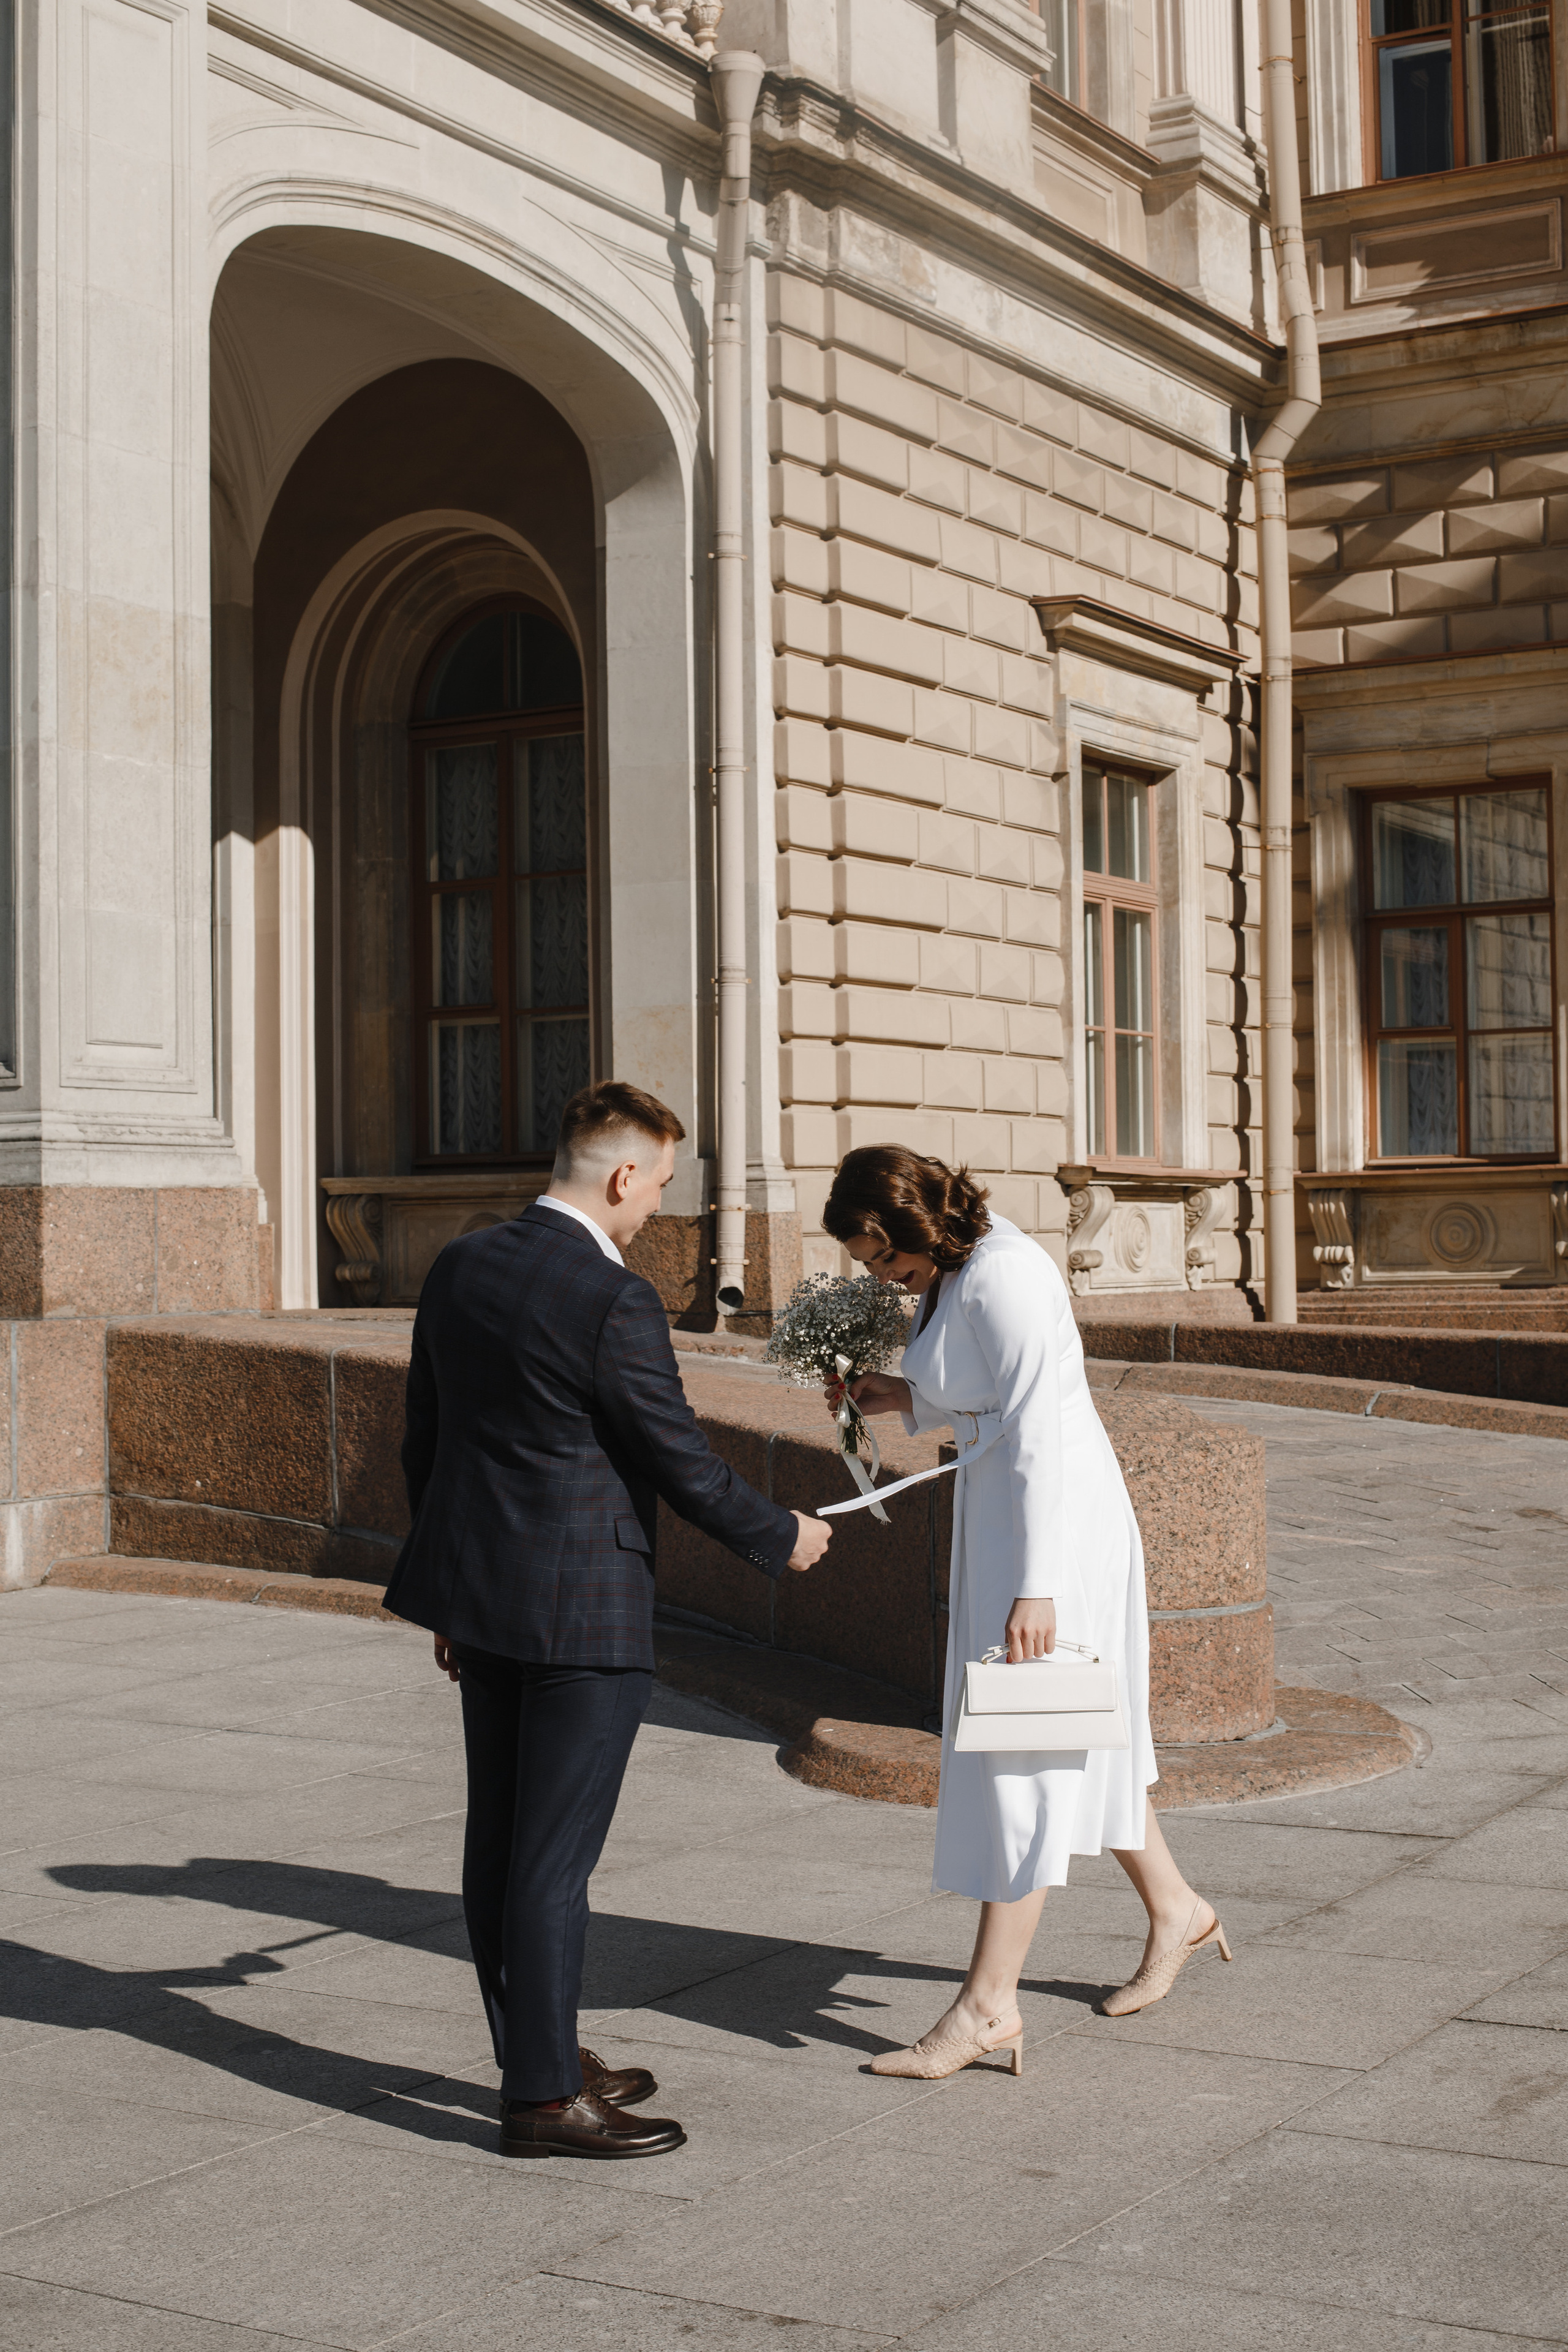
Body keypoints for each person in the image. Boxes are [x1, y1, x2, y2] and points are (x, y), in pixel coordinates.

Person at [386, 1080, 832, 2158]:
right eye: (661, 1187)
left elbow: (426, 1440)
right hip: (582, 1609)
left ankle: (537, 2051)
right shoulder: (611, 1297)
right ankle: (542, 2100)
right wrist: (781, 1535)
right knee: (550, 1862)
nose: (655, 1211)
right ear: (622, 1173)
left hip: (484, 1596)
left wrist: (450, 1592)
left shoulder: (462, 1263)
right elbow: (672, 1454)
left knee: (499, 1847)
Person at [821, 1145, 1228, 2079]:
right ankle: (1178, 1910)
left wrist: (1038, 1583)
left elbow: (1039, 1425)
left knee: (1025, 1755)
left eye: (883, 1258)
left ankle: (986, 2008)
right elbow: (987, 1396)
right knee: (1065, 1730)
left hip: (1052, 1532)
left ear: (910, 1229)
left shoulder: (1003, 1274)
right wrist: (901, 1395)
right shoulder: (963, 1265)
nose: (884, 1278)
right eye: (873, 1266)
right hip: (1011, 1516)